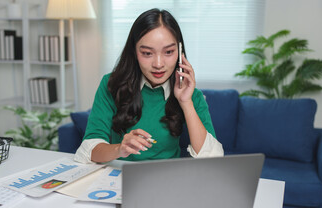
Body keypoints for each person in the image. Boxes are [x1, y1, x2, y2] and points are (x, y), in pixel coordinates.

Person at [74, 8, 223, 164]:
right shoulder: (111, 84)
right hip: (119, 176)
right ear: (134, 52)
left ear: (179, 52)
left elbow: (212, 160)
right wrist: (120, 149)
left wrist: (186, 103)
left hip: (167, 178)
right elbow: (90, 150)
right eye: (147, 53)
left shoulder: (191, 94)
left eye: (169, 52)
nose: (158, 64)